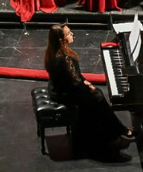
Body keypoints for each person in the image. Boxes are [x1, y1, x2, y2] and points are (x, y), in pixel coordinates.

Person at [44, 24, 134, 157]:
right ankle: (113, 134)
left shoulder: (53, 53)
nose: (72, 34)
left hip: (57, 89)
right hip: (64, 94)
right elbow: (74, 84)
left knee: (97, 94)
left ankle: (117, 129)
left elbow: (73, 77)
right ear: (61, 40)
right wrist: (88, 87)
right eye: (68, 33)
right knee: (98, 97)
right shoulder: (64, 59)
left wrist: (85, 82)